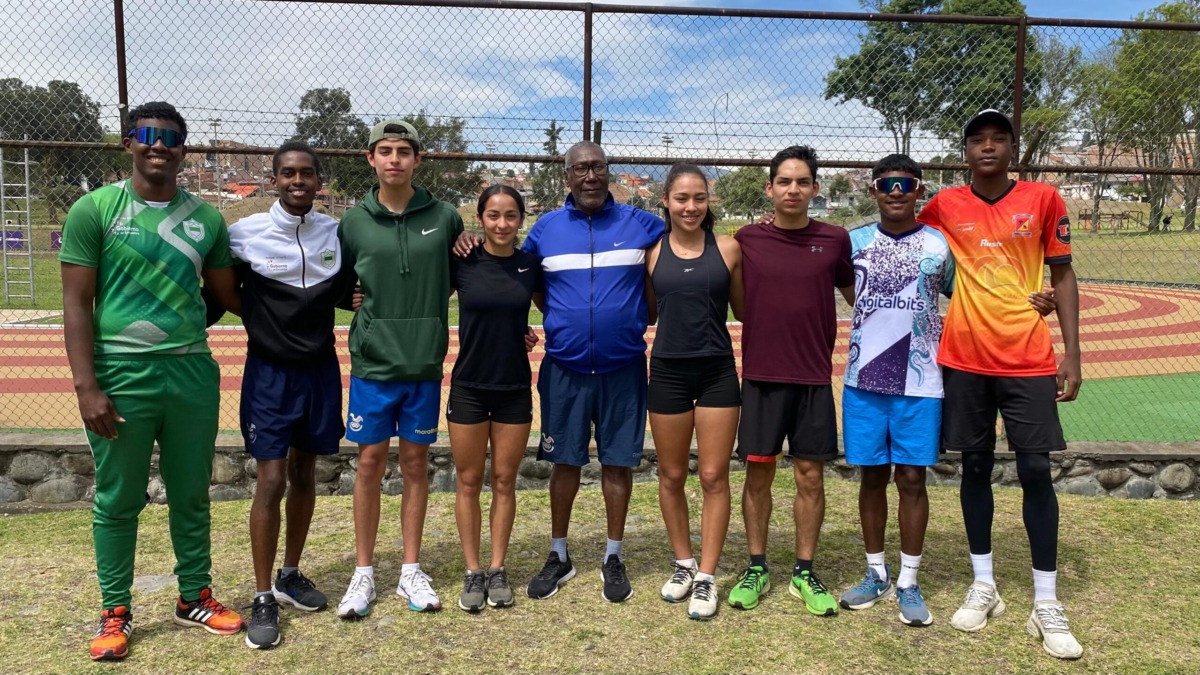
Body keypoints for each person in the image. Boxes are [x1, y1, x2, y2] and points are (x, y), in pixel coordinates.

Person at [836, 154, 1058, 627]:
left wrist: (1038, 299)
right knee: (872, 477)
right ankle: (876, 573)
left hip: (921, 382)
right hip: (863, 381)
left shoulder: (939, 244)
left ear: (920, 190)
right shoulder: (850, 242)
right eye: (886, 183)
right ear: (873, 190)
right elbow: (846, 292)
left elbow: (978, 290)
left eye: (906, 183)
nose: (896, 191)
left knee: (912, 480)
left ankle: (909, 581)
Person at [60, 101, 244, 661]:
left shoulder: (208, 219)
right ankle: (115, 610)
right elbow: (75, 302)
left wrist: (323, 298)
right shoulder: (94, 209)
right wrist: (87, 387)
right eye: (148, 135)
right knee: (118, 499)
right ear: (129, 143)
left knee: (192, 493)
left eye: (170, 137)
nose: (159, 144)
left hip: (190, 370)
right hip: (120, 373)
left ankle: (195, 596)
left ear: (184, 149)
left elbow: (227, 297)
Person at [918, 109, 1083, 660]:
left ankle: (1046, 601)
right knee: (976, 465)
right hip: (964, 358)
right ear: (964, 151)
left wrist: (1073, 355)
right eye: (977, 140)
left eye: (998, 139)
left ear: (1013, 148)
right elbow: (920, 257)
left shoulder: (1043, 199)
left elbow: (1062, 274)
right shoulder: (943, 206)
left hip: (1029, 358)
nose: (987, 147)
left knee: (1036, 468)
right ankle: (984, 585)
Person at [521, 141, 665, 603]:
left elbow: (688, 239)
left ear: (609, 172)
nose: (590, 176)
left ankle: (613, 555)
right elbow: (526, 281)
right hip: (564, 368)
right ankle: (559, 554)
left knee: (618, 463)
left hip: (623, 368)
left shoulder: (641, 224)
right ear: (566, 177)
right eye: (580, 168)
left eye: (598, 167)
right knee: (565, 462)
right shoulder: (545, 230)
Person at [336, 120, 464, 618]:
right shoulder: (353, 222)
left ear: (418, 160)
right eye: (384, 151)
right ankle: (363, 573)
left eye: (404, 151)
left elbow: (459, 274)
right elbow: (339, 282)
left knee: (415, 465)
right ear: (370, 159)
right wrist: (352, 301)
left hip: (424, 362)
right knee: (368, 464)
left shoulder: (446, 217)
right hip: (373, 362)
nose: (394, 159)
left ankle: (410, 569)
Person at [229, 141, 355, 648]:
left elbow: (353, 286)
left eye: (306, 173)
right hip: (269, 374)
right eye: (288, 174)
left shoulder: (335, 233)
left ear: (319, 180)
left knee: (305, 472)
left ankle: (290, 573)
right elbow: (219, 290)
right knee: (272, 478)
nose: (298, 181)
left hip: (320, 370)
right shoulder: (243, 234)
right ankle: (262, 596)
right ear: (274, 179)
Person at [727, 145, 854, 617]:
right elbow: (739, 306)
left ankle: (804, 570)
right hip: (761, 378)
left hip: (813, 379)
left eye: (803, 182)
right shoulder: (748, 239)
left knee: (810, 477)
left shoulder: (836, 239)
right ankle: (756, 566)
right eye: (785, 182)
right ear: (770, 188)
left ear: (816, 188)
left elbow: (857, 297)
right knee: (758, 475)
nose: (793, 189)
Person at [645, 164, 743, 620]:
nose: (690, 206)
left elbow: (742, 308)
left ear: (709, 202)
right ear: (665, 200)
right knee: (670, 475)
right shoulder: (651, 252)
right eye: (681, 198)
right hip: (666, 372)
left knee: (712, 476)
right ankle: (683, 563)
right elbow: (647, 310)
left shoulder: (728, 249)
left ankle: (707, 576)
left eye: (699, 198)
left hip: (717, 373)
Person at [448, 185, 543, 612]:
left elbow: (546, 308)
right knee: (468, 482)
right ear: (480, 219)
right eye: (492, 215)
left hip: (513, 389)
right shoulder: (462, 259)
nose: (501, 224)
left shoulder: (529, 264)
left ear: (520, 219)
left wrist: (528, 334)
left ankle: (498, 567)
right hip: (469, 386)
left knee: (505, 481)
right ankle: (473, 571)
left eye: (510, 216)